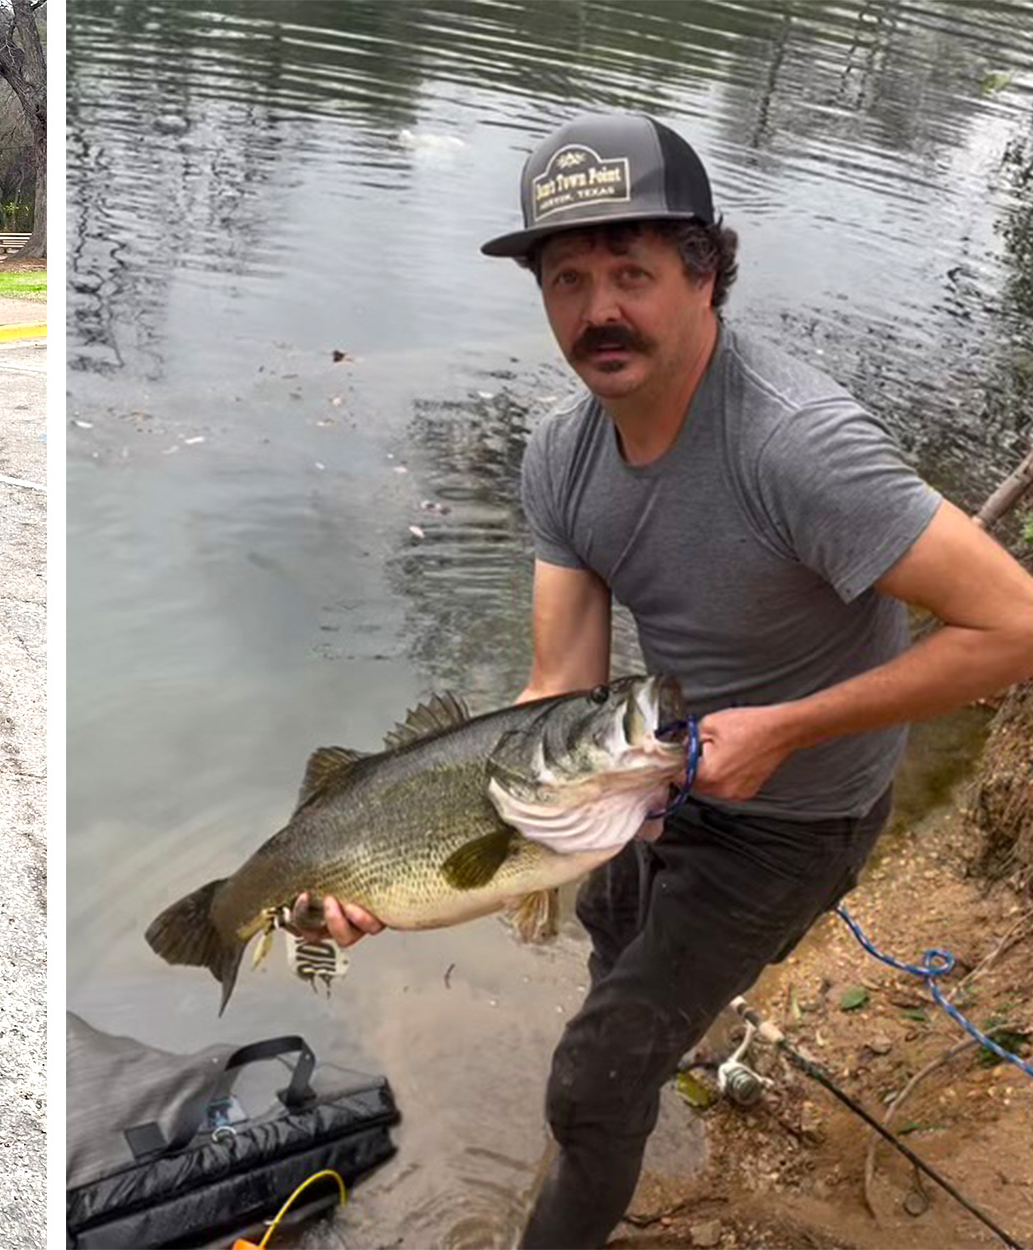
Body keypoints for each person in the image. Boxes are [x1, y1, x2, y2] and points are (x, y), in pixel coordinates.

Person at [302, 112, 1033, 1248]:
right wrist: (394, 887)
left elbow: (1013, 624)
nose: (599, 310)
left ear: (704, 274)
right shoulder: (563, 454)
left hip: (797, 812)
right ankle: (645, 1041)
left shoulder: (798, 447)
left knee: (591, 1080)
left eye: (631, 273)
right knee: (609, 934)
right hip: (654, 772)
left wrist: (788, 727)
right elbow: (558, 685)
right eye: (569, 278)